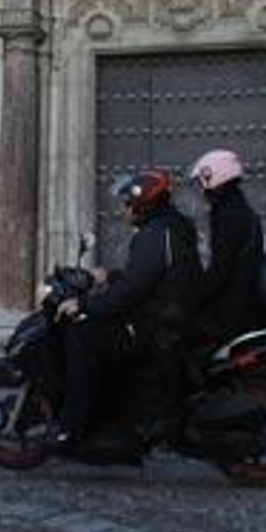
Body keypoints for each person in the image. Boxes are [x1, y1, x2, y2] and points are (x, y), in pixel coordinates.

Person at [49, 168, 201, 451]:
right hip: (165, 319)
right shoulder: (169, 228)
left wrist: (83, 304)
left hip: (157, 326)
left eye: (128, 204)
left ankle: (71, 425)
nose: (124, 210)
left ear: (144, 205)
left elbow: (130, 293)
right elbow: (146, 279)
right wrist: (108, 276)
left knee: (82, 332)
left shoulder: (156, 235)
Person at [188, 148, 265, 347]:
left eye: (203, 182)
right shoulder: (241, 210)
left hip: (230, 310)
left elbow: (220, 269)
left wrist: (192, 298)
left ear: (215, 180)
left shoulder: (228, 216)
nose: (202, 190)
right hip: (243, 304)